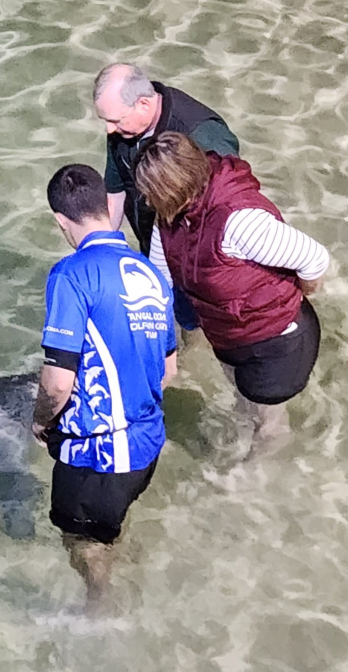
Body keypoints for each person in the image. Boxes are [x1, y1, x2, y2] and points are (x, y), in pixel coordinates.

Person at [34, 163, 176, 610]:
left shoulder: (71, 275)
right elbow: (169, 370)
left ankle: (99, 608)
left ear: (62, 221)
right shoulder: (150, 271)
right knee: (110, 525)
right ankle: (114, 562)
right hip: (146, 444)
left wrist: (39, 423)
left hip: (99, 456)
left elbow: (58, 382)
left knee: (81, 540)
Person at [135, 133, 328, 441]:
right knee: (244, 406)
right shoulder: (168, 220)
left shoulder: (239, 222)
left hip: (278, 343)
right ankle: (242, 440)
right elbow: (159, 284)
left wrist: (293, 297)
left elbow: (315, 259)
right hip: (229, 336)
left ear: (171, 189)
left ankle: (247, 481)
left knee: (270, 425)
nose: (146, 201)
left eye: (150, 193)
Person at [93, 62, 240, 333]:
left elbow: (231, 206)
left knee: (209, 326)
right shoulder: (124, 129)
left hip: (200, 265)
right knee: (179, 319)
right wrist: (98, 253)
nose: (109, 130)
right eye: (105, 121)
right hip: (158, 250)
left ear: (144, 105)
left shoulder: (202, 136)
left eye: (114, 120)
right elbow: (115, 192)